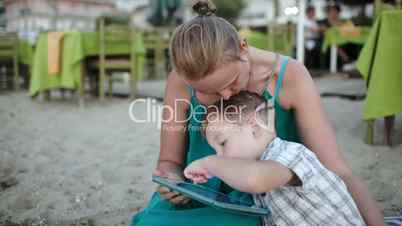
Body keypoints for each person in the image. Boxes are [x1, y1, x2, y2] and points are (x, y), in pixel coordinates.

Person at [132, 1, 385, 225]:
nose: (227, 97)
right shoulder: (180, 80)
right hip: (199, 192)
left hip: (264, 198)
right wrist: (172, 180)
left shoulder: (290, 77)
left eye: (231, 82)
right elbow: (169, 161)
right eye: (210, 92)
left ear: (243, 47)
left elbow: (336, 171)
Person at [184, 91, 365, 226]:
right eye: (215, 151)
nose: (219, 155)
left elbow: (254, 179)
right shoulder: (263, 166)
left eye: (223, 143)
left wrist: (210, 163)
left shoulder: (289, 154)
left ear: (254, 127)